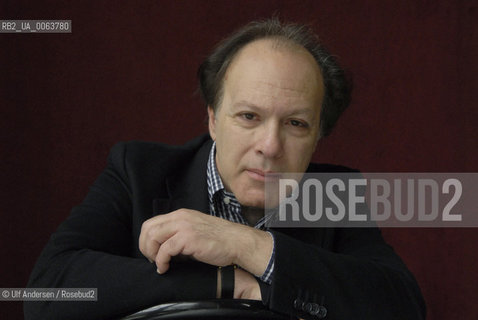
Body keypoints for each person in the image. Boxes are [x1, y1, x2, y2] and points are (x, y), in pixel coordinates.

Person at [24, 19, 426, 319]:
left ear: (318, 135)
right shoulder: (137, 170)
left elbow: (403, 307)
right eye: (249, 116)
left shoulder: (335, 192)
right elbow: (47, 293)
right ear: (213, 119)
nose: (269, 146)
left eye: (296, 124)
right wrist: (231, 282)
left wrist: (245, 245)